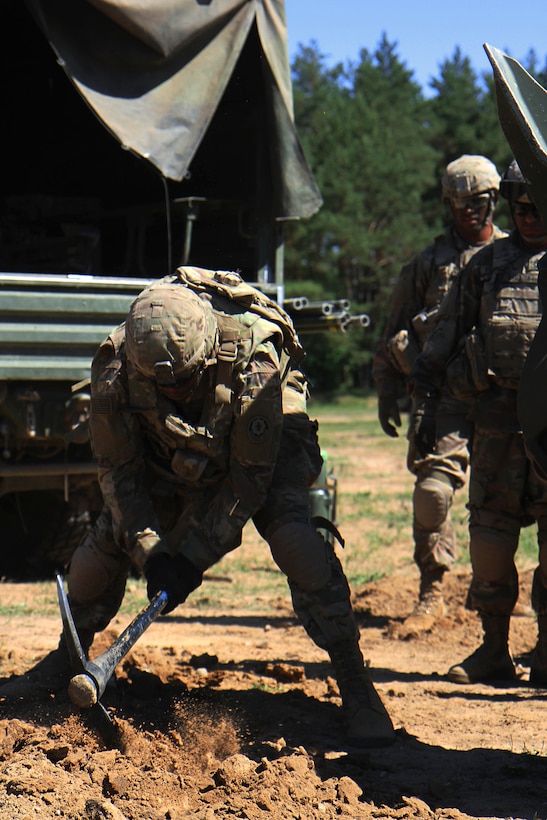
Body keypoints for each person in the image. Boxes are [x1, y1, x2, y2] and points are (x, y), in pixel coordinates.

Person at [1, 266, 395, 747]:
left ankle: (355, 682)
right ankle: (65, 657)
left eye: (184, 382)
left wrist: (191, 559)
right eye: (163, 386)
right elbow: (119, 476)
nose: (175, 391)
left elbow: (249, 483)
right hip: (170, 447)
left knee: (294, 540)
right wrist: (153, 553)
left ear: (207, 354)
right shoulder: (115, 368)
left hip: (264, 441)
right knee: (100, 548)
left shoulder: (256, 360)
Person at [409, 160, 547, 684]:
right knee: (490, 541)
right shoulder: (486, 265)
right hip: (497, 424)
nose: (528, 215)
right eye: (521, 205)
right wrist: (423, 398)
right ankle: (494, 650)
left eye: (539, 205)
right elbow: (445, 334)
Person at [372, 155, 507, 635]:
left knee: (510, 503)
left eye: (479, 200)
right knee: (432, 494)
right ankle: (432, 591)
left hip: (503, 398)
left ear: (495, 199)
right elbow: (395, 331)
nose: (470, 210)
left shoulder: (520, 256)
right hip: (442, 395)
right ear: (448, 204)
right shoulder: (427, 264)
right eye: (459, 202)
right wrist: (388, 390)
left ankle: (507, 600)